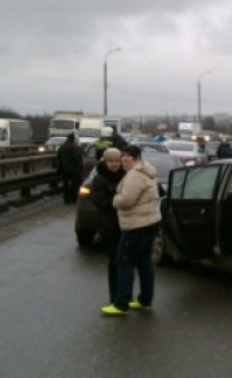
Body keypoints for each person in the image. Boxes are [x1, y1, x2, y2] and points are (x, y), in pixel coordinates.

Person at [102, 145, 161, 316]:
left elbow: (127, 200)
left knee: (123, 261)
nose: (124, 160)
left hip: (137, 224)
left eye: (127, 157)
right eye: (123, 157)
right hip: (150, 222)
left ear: (135, 158)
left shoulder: (134, 175)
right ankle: (145, 300)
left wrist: (115, 199)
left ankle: (121, 303)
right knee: (144, 263)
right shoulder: (147, 172)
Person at [92, 148, 126, 308]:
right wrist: (119, 201)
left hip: (126, 224)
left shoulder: (126, 176)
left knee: (126, 262)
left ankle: (126, 296)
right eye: (110, 161)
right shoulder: (100, 179)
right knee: (114, 262)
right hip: (110, 225)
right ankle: (114, 298)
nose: (114, 164)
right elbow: (100, 202)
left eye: (117, 161)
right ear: (105, 162)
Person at [56, 133, 84, 204]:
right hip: (73, 169)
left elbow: (58, 156)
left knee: (66, 184)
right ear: (73, 139)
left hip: (64, 168)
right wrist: (79, 148)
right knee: (74, 184)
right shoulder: (73, 147)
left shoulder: (62, 146)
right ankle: (73, 198)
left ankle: (66, 199)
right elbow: (76, 158)